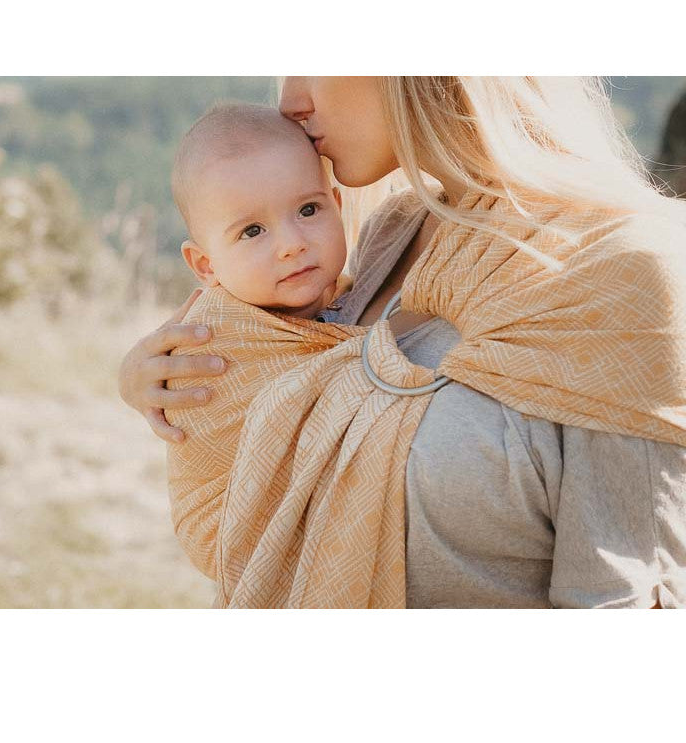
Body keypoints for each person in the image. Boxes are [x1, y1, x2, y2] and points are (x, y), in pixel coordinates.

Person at [120, 77, 686, 608]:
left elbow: (621, 592)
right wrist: (151, 375)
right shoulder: (395, 231)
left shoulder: (621, 275)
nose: (289, 100)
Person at [170, 102, 349, 319]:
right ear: (206, 264)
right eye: (252, 231)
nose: (292, 245)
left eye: (308, 210)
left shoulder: (363, 288)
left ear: (338, 208)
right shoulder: (217, 338)